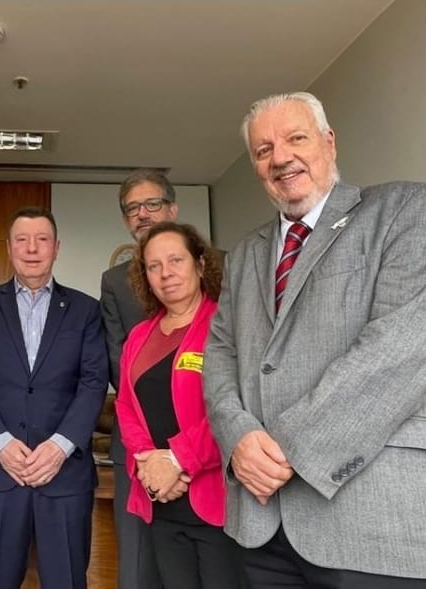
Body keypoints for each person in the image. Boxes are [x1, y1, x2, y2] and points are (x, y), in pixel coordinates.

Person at [204, 91, 426, 587]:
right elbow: (219, 354)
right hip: (260, 527)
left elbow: (400, 353)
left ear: (329, 142)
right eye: (263, 150)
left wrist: (283, 450)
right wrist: (237, 435)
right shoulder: (243, 254)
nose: (280, 157)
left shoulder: (405, 209)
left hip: (369, 520)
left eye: (295, 138)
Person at [0, 207, 109, 589]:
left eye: (42, 239)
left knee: (67, 580)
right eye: (22, 240)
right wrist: (1, 443)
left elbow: (94, 382)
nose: (32, 248)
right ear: (9, 248)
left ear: (56, 248)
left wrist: (59, 447)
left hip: (64, 473)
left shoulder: (86, 310)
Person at [114, 222, 240, 589]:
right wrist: (151, 466)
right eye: (154, 266)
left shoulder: (225, 325)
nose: (166, 273)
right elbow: (125, 405)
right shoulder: (139, 335)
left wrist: (177, 460)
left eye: (175, 260)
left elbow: (236, 407)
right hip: (161, 501)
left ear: (200, 264)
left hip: (215, 501)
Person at [100, 168, 179, 589]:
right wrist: (149, 450)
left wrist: (184, 448)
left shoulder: (217, 265)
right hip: (136, 445)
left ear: (172, 208)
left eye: (152, 204)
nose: (143, 214)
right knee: (137, 566)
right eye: (133, 208)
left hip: (203, 442)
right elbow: (118, 364)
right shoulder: (115, 281)